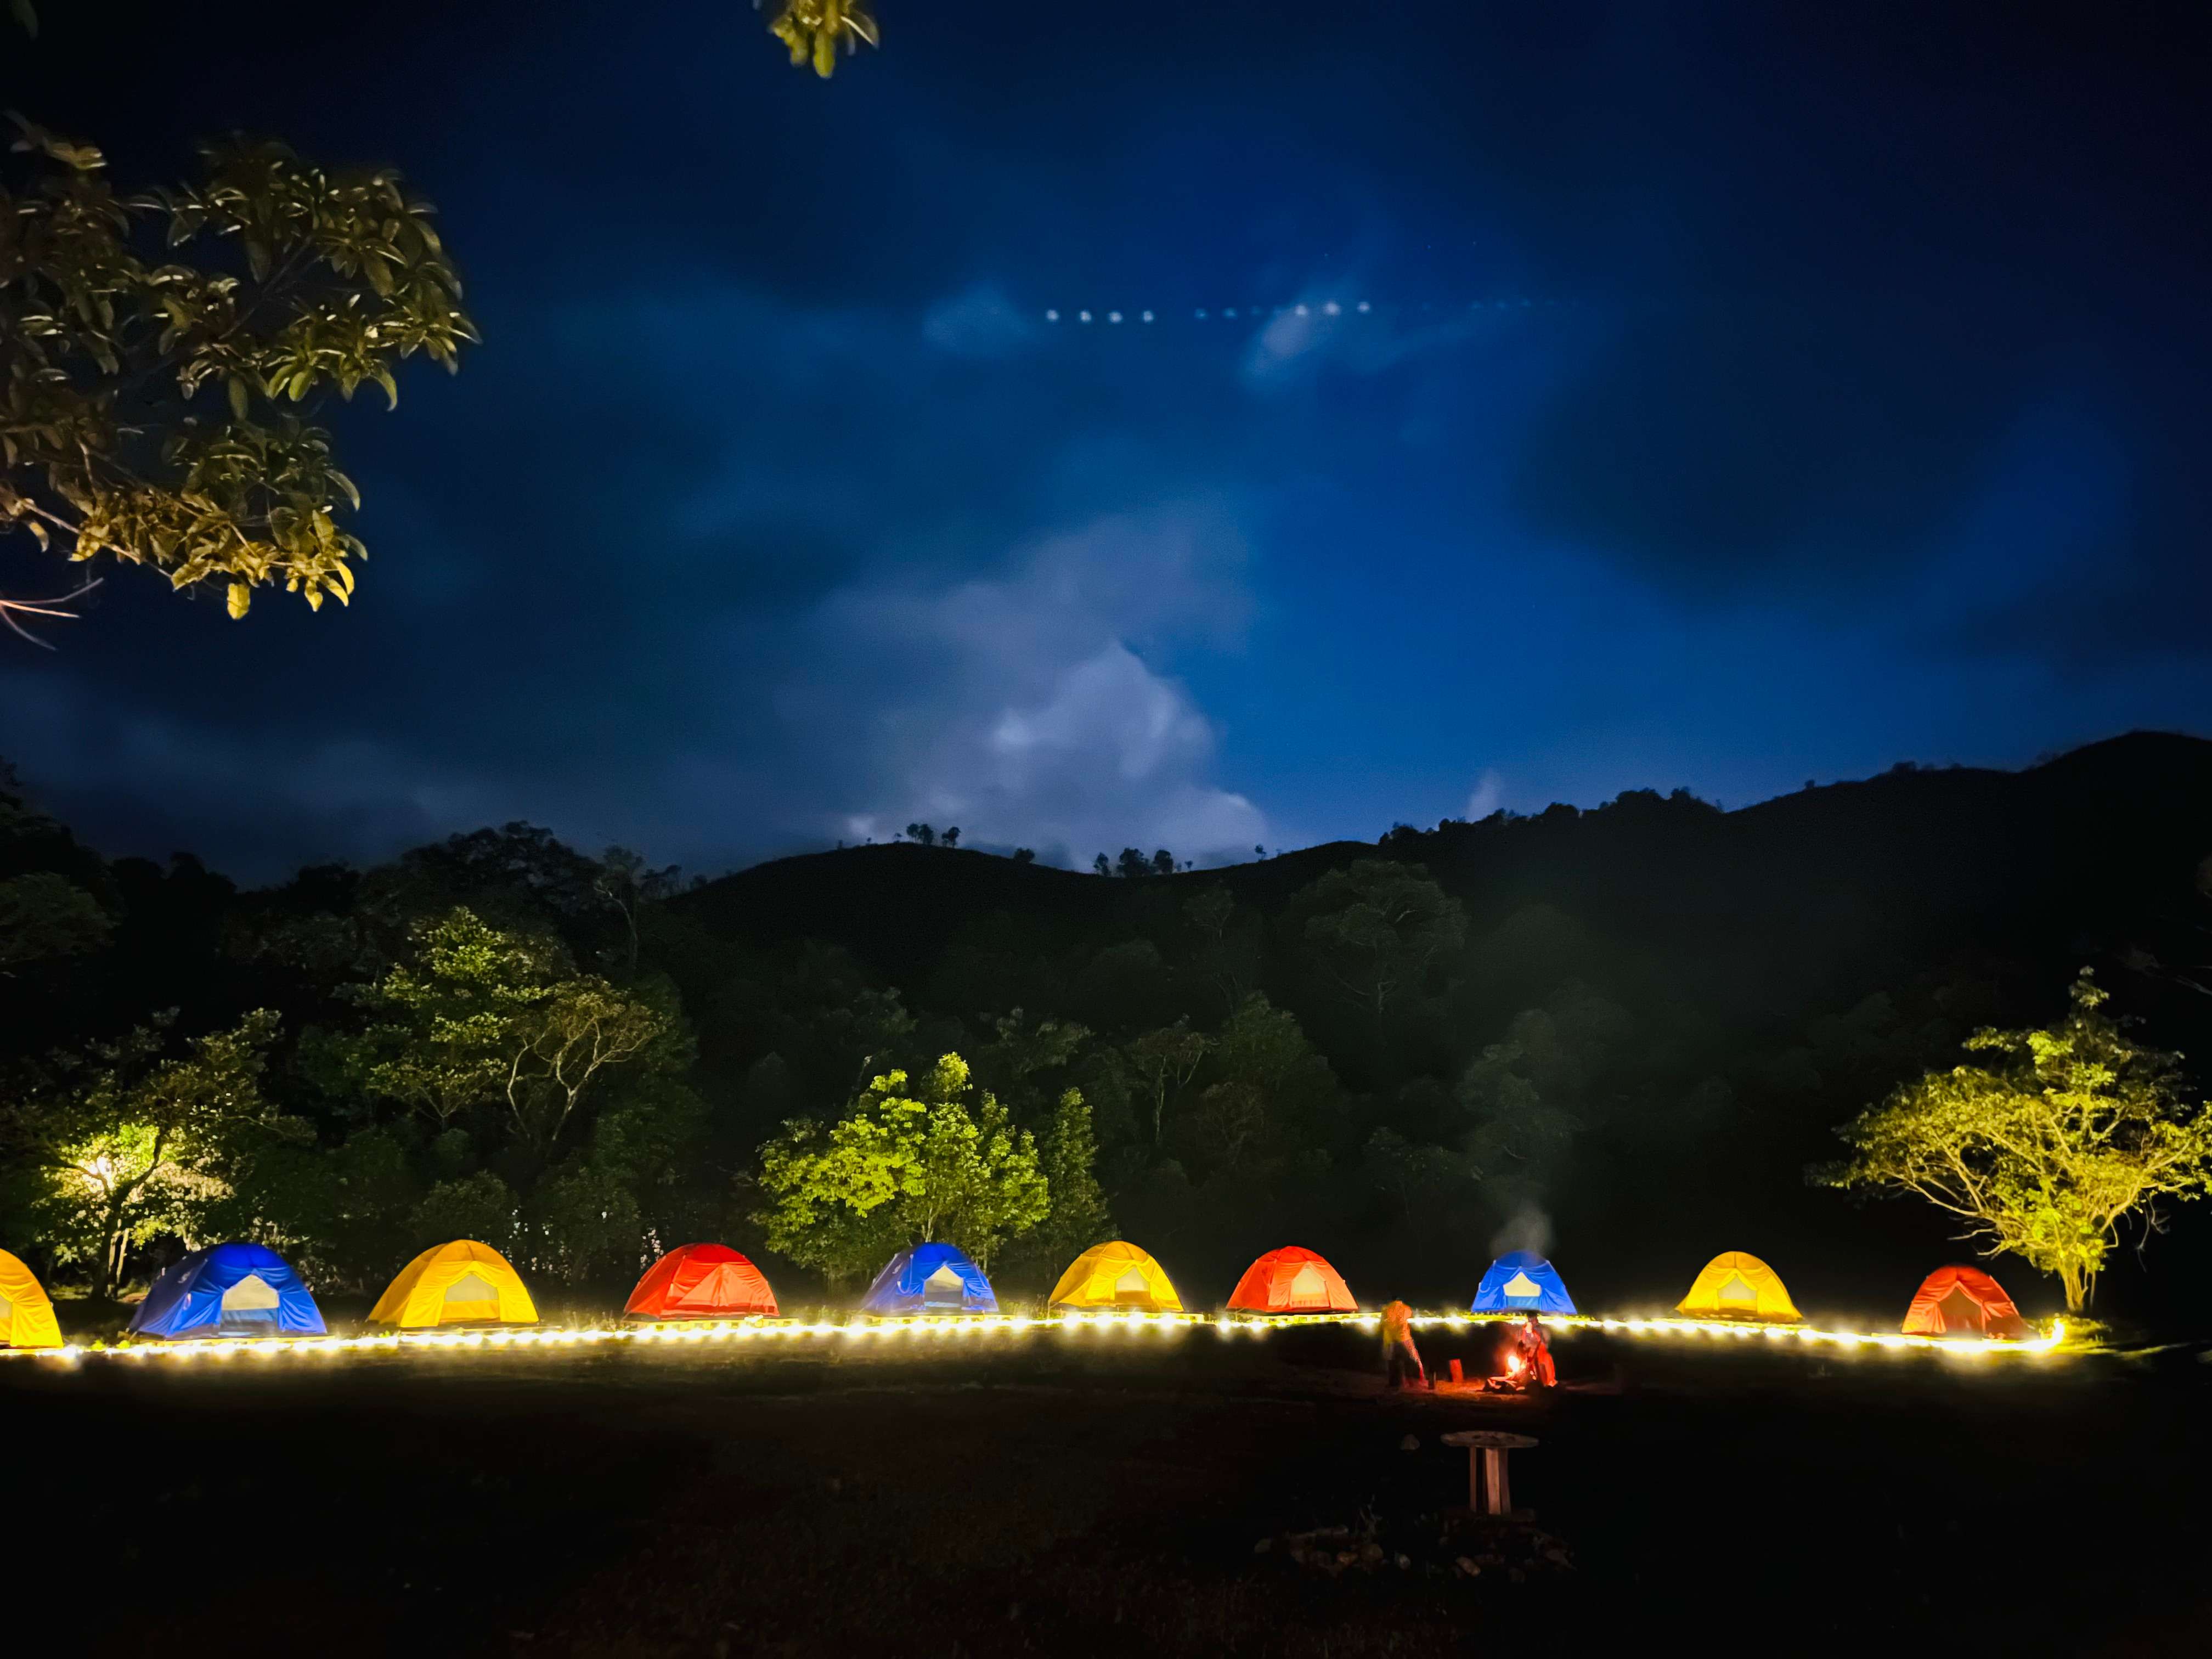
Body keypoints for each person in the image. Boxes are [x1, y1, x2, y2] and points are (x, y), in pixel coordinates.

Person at [1381, 1299, 1427, 1390]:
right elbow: (1410, 1315)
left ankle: (1395, 1383)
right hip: (1404, 1337)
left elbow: (1382, 1323)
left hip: (1390, 1339)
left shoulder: (1385, 1309)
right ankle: (1419, 1380)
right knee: (1414, 1359)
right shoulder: (1406, 1308)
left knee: (1392, 1362)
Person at [1513, 1312, 1556, 1389]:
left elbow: (1543, 1342)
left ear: (1536, 1320)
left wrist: (1533, 1333)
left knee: (1543, 1363)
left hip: (1539, 1354)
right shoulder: (1525, 1329)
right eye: (1530, 1320)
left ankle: (1545, 1383)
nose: (1531, 1322)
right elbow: (1523, 1342)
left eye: (1532, 1320)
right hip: (1529, 1354)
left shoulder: (1540, 1330)